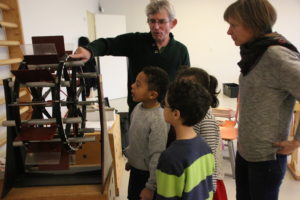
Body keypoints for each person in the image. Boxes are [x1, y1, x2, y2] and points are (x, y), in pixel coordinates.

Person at [223, 0, 300, 199]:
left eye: (233, 24)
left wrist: (297, 141)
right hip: (246, 151)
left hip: (266, 159)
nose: (228, 32)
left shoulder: (276, 55)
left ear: (253, 23)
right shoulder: (254, 53)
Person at [71, 0, 190, 115]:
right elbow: (109, 44)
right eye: (152, 21)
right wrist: (89, 50)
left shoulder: (181, 51)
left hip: (169, 114)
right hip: (138, 112)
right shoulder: (136, 42)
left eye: (161, 21)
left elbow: (185, 85)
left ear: (173, 23)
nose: (156, 26)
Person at [156, 80, 215, 200]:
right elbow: (208, 189)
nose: (163, 107)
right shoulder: (205, 147)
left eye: (164, 104)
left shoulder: (170, 158)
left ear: (176, 114)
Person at [176, 67, 227, 200]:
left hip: (205, 186)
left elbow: (209, 161)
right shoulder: (185, 115)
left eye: (186, 89)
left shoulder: (206, 120)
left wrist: (208, 190)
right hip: (191, 179)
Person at [125, 66, 169, 200]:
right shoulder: (138, 108)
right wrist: (131, 159)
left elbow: (157, 155)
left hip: (148, 175)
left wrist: (150, 187)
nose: (132, 86)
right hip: (136, 169)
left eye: (138, 85)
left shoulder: (158, 120)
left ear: (152, 94)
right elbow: (136, 139)